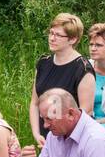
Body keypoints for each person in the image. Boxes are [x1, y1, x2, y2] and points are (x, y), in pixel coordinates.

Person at [29, 13, 94, 145]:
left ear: (73, 39)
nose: (52, 38)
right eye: (51, 33)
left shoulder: (82, 68)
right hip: (44, 136)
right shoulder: (43, 63)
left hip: (69, 138)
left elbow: (85, 111)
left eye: (58, 35)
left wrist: (62, 138)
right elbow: (35, 103)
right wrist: (36, 133)